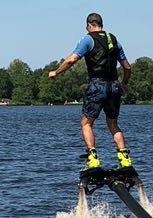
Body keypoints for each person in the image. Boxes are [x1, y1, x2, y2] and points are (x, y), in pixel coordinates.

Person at [48, 12, 134, 171]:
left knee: (86, 123)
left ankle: (93, 159)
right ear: (101, 24)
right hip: (114, 87)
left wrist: (56, 72)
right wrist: (124, 83)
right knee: (113, 124)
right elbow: (127, 67)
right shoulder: (114, 40)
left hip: (97, 85)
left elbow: (72, 59)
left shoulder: (88, 39)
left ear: (89, 25)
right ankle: (125, 159)